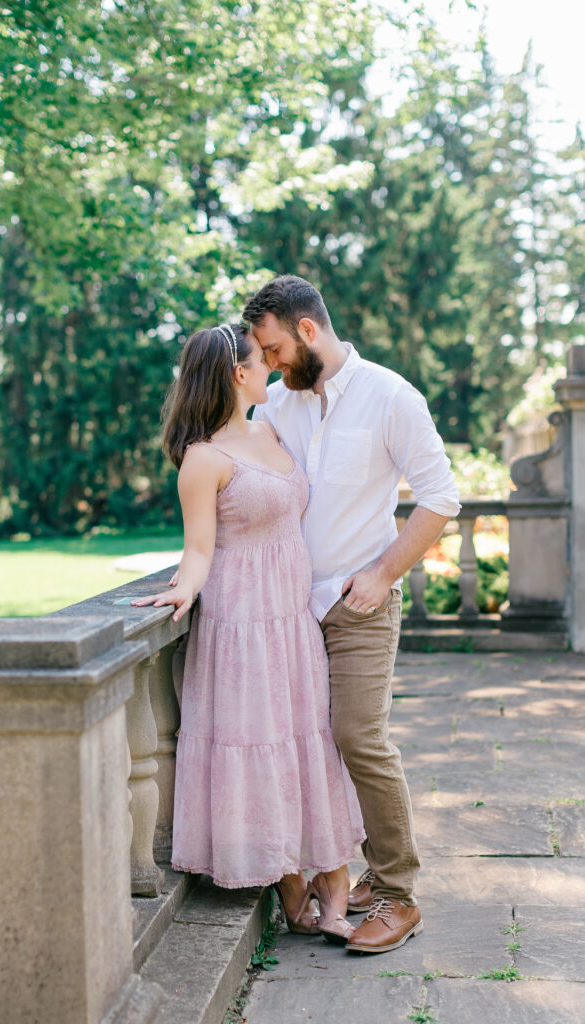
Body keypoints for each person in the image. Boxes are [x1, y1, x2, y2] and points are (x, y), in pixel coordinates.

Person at [243, 275, 461, 954]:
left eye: (274, 347)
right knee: (309, 744)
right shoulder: (276, 406)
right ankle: (351, 876)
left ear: (307, 331)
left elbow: (439, 498)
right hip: (285, 610)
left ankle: (396, 893)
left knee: (358, 737)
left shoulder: (390, 396)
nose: (270, 363)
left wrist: (382, 573)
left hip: (359, 603)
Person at [131, 322, 363, 941]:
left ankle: (334, 884)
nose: (272, 368)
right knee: (260, 743)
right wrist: (183, 586)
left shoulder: (272, 428)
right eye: (262, 360)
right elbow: (199, 548)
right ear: (239, 372)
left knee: (309, 740)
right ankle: (292, 888)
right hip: (241, 625)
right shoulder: (203, 459)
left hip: (291, 621)